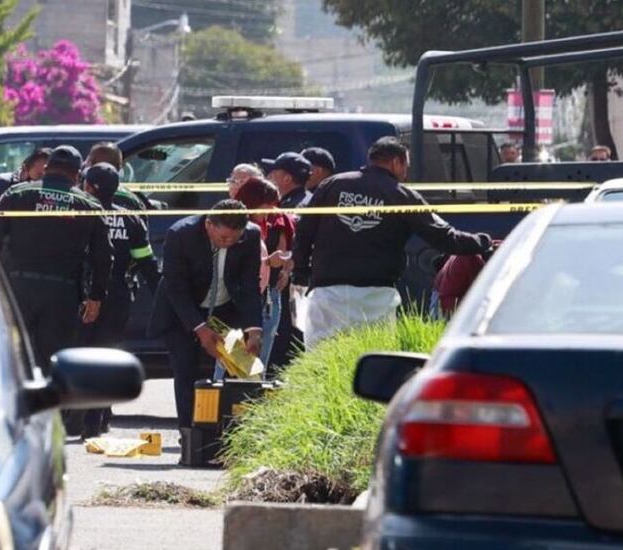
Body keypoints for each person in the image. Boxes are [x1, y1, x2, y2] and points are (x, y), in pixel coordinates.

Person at [292, 137, 493, 348]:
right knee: (371, 359)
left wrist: (301, 271)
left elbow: (304, 230)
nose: (406, 172)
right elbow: (444, 237)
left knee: (321, 357)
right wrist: (483, 242)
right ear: (396, 162)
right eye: (406, 165)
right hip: (374, 297)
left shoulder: (333, 184)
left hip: (327, 293)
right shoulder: (401, 195)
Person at [0, 145, 112, 377]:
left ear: (46, 169)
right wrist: (96, 297)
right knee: (56, 365)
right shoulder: (89, 205)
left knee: (11, 360)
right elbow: (103, 256)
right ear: (77, 175)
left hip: (17, 291)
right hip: (62, 296)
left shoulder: (16, 194)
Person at [148, 200, 263, 436]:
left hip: (223, 311)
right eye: (223, 238)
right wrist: (200, 329)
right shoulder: (180, 234)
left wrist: (254, 330)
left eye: (235, 239)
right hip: (181, 313)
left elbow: (250, 284)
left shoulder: (251, 235)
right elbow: (175, 287)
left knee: (219, 372)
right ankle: (189, 434)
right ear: (209, 224)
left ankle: (217, 433)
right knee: (185, 370)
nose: (228, 243)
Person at [79, 163, 161, 438]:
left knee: (83, 357)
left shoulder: (79, 215)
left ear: (88, 187)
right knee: (106, 356)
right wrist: (164, 297)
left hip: (84, 295)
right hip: (118, 297)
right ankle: (98, 418)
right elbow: (147, 263)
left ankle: (86, 419)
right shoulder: (130, 219)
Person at [226, 177, 294, 376]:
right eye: (267, 205)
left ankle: (252, 392)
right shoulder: (236, 226)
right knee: (230, 362)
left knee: (256, 364)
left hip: (265, 296)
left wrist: (283, 266)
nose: (270, 211)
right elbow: (235, 265)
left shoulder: (264, 223)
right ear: (253, 201)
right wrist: (267, 262)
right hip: (239, 301)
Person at [84, 141, 156, 211]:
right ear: (120, 167)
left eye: (88, 160)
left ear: (90, 164)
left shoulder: (83, 198)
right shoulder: (135, 199)